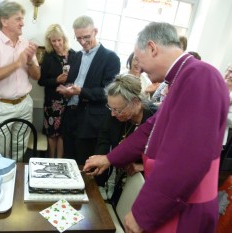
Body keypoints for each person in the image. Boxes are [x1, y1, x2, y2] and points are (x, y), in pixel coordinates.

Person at [83, 22, 229, 233]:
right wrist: (109, 158)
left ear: (152, 48)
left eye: (139, 60)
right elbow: (150, 129)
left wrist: (144, 213)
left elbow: (186, 159)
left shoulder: (200, 76)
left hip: (185, 206)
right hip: (173, 198)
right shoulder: (183, 77)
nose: (139, 68)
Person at [56, 15, 120, 165]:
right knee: (68, 160)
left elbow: (108, 92)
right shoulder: (77, 56)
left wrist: (80, 91)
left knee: (85, 165)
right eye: (78, 38)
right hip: (71, 114)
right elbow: (73, 81)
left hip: (91, 120)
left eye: (86, 37)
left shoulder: (110, 58)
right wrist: (67, 89)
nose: (82, 42)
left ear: (95, 31)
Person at [0, 1, 40, 159]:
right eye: (18, 19)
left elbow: (36, 76)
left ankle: (16, 182)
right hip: (1, 107)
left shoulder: (26, 44)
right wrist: (17, 63)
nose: (23, 23)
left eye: (22, 19)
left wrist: (29, 62)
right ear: (4, 21)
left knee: (19, 150)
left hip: (25, 104)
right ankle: (2, 182)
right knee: (0, 152)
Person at [95, 73, 157, 201]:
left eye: (117, 110)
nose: (112, 114)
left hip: (148, 185)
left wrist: (142, 167)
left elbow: (168, 160)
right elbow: (104, 141)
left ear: (135, 102)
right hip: (122, 179)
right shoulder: (115, 114)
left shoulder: (155, 118)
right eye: (110, 108)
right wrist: (99, 169)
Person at [38, 24, 76, 158]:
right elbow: (41, 81)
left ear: (64, 39)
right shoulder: (48, 57)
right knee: (52, 134)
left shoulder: (74, 55)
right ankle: (51, 160)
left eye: (59, 40)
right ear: (49, 41)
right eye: (53, 41)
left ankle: (59, 161)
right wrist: (56, 80)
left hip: (70, 101)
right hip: (53, 103)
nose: (57, 44)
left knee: (63, 134)